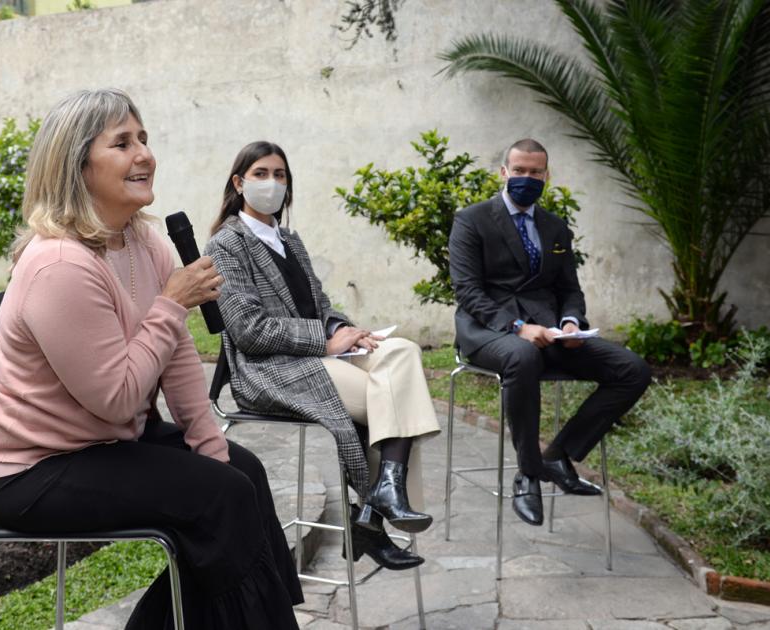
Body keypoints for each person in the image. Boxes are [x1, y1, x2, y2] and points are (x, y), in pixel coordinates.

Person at [0, 89, 302, 629]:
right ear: (76, 167)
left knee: (243, 473)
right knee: (219, 501)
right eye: (122, 143)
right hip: (37, 470)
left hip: (107, 443)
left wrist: (209, 447)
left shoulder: (146, 243)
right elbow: (117, 399)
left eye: (143, 139)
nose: (144, 154)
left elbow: (175, 365)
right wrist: (171, 303)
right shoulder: (59, 264)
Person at [205, 141, 441, 570]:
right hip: (270, 368)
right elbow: (248, 330)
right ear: (239, 183)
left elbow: (319, 304)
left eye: (280, 175)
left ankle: (381, 501)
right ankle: (376, 509)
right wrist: (324, 341)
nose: (272, 183)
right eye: (261, 174)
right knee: (395, 398)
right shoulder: (226, 244)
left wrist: (343, 331)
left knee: (402, 353)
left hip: (318, 354)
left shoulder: (289, 240)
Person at [448, 138, 651, 526]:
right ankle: (528, 476)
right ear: (503, 172)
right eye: (519, 171)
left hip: (550, 331)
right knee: (522, 356)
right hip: (488, 330)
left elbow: (569, 290)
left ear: (546, 175)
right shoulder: (471, 220)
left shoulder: (554, 227)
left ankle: (558, 455)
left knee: (632, 370)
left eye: (535, 172)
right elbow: (468, 292)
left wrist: (572, 323)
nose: (527, 178)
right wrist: (519, 327)